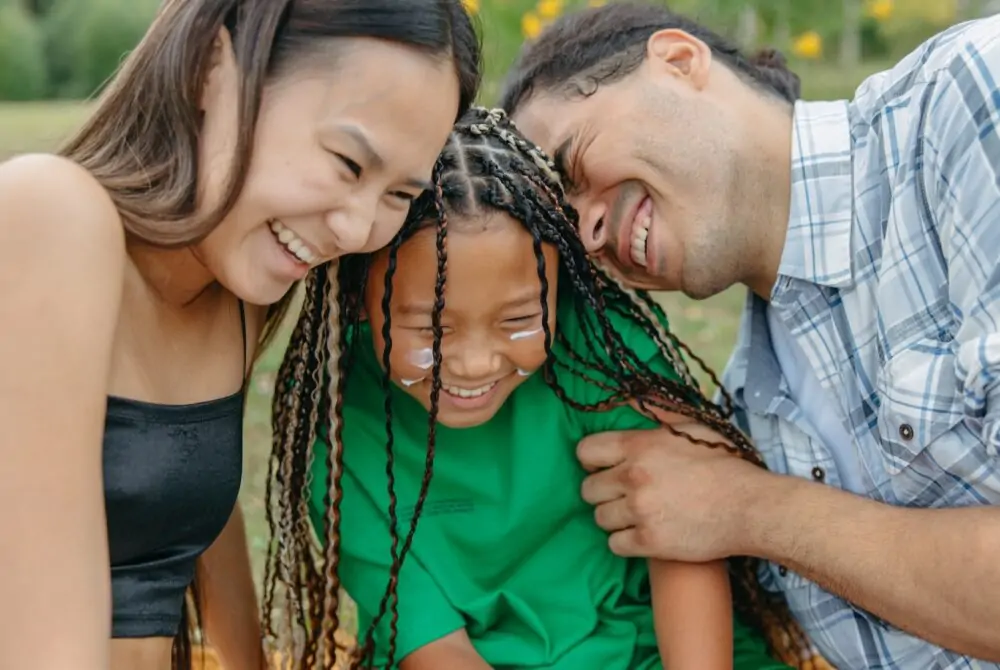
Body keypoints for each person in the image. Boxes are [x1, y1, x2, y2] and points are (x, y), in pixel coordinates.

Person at [498, 2, 1000, 668]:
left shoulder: (966, 100)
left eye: (574, 164)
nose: (588, 234)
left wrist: (750, 511)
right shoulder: (744, 413)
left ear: (679, 62)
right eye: (565, 228)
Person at [0, 1, 480, 668]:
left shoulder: (236, 291)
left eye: (398, 195)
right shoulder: (49, 213)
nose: (355, 229)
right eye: (347, 162)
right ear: (209, 69)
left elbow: (183, 487)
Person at [270, 106, 808, 670]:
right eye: (432, 327)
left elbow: (685, 536)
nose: (476, 363)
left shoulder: (599, 354)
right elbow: (432, 647)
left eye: (519, 321)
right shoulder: (338, 425)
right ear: (359, 298)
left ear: (563, 286)